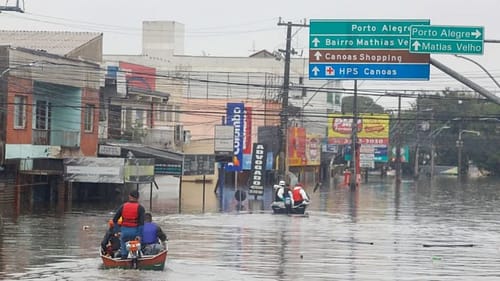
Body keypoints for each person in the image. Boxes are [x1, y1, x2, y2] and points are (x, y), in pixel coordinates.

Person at [113, 190, 146, 259]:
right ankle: (138, 259)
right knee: (137, 250)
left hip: (124, 232)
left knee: (124, 250)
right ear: (138, 198)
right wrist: (139, 235)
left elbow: (114, 220)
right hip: (135, 233)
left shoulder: (123, 206)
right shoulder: (141, 208)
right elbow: (141, 224)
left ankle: (124, 259)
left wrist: (117, 231)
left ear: (129, 197)